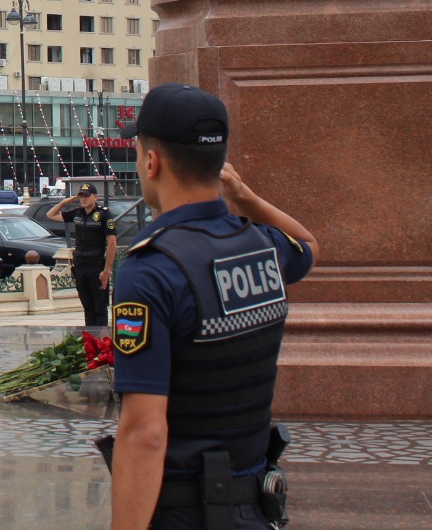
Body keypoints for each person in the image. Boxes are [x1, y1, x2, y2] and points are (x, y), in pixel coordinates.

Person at [107, 84, 318, 530]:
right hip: (255, 507)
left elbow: (145, 432)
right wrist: (244, 198)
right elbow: (309, 245)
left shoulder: (151, 270)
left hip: (185, 510)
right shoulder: (259, 243)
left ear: (151, 161)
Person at [50, 183, 118, 328]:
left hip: (96, 264)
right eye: (81, 196)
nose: (83, 199)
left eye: (86, 196)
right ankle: (90, 341)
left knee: (99, 306)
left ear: (95, 197)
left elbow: (112, 244)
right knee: (87, 305)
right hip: (80, 265)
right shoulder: (78, 213)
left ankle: (101, 343)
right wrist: (64, 202)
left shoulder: (104, 215)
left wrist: (107, 270)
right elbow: (51, 215)